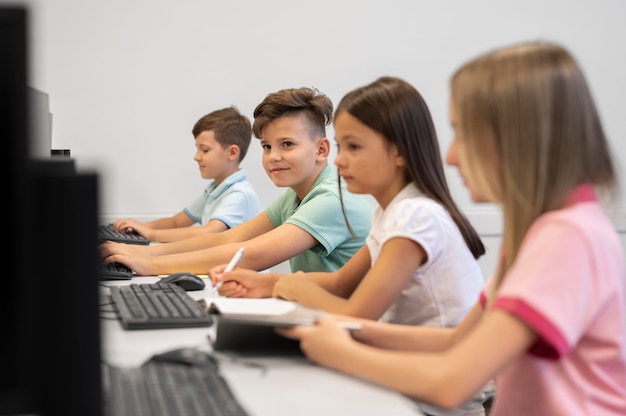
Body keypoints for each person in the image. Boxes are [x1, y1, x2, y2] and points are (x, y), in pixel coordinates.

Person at [277, 42, 626, 416]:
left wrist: (343, 350)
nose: (451, 155)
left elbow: (451, 384)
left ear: (517, 137)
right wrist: (337, 330)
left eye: (463, 133)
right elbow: (459, 339)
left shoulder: (569, 236)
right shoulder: (540, 232)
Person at [212, 76, 486, 330]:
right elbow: (340, 283)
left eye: (353, 147)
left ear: (399, 151)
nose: (340, 161)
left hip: (430, 369)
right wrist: (264, 283)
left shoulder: (415, 215)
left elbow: (355, 315)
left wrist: (293, 288)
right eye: (341, 147)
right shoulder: (389, 212)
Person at [100, 87, 373, 276]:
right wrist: (147, 255)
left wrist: (150, 263)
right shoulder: (296, 196)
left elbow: (249, 254)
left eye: (287, 144)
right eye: (266, 147)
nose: (273, 157)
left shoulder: (331, 199)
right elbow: (231, 237)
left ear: (321, 150)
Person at [111, 106, 262, 243]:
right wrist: (138, 228)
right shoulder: (216, 189)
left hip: (239, 272)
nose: (196, 156)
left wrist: (150, 234)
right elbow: (176, 222)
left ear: (232, 152)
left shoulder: (239, 194)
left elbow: (209, 232)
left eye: (204, 150)